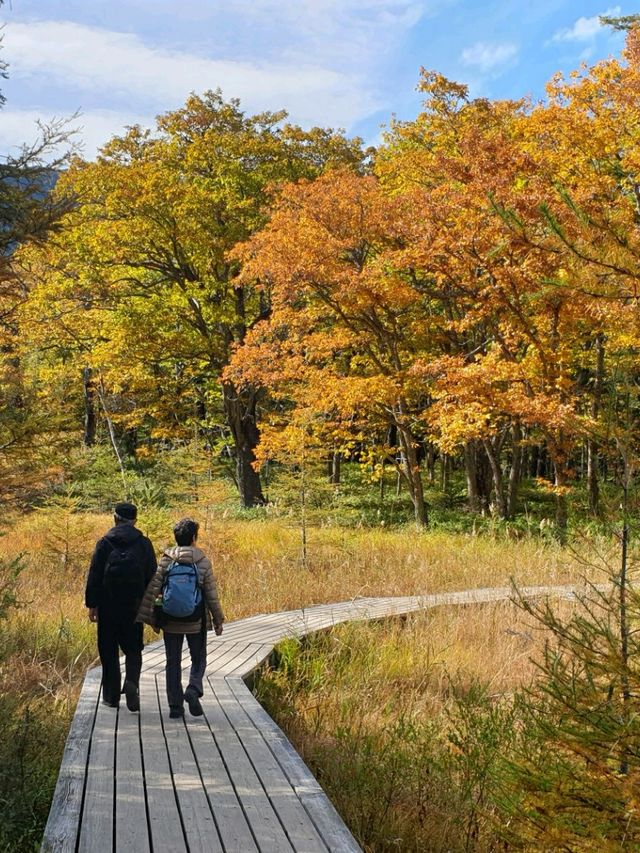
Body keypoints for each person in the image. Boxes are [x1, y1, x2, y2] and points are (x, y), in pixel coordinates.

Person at [137, 518, 224, 719]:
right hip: (196, 621)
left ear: (176, 538)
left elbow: (154, 591)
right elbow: (211, 595)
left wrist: (153, 618)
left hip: (170, 620)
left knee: (172, 662)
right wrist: (218, 620)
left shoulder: (167, 560)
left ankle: (175, 707)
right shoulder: (202, 562)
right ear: (194, 537)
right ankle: (193, 689)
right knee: (198, 658)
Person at [85, 501, 157, 711]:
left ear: (115, 518)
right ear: (135, 520)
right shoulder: (143, 543)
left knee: (108, 650)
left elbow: (95, 575)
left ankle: (111, 696)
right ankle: (132, 682)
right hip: (134, 605)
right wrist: (150, 605)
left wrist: (92, 604)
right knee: (133, 648)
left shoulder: (105, 542)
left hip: (108, 605)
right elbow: (152, 575)